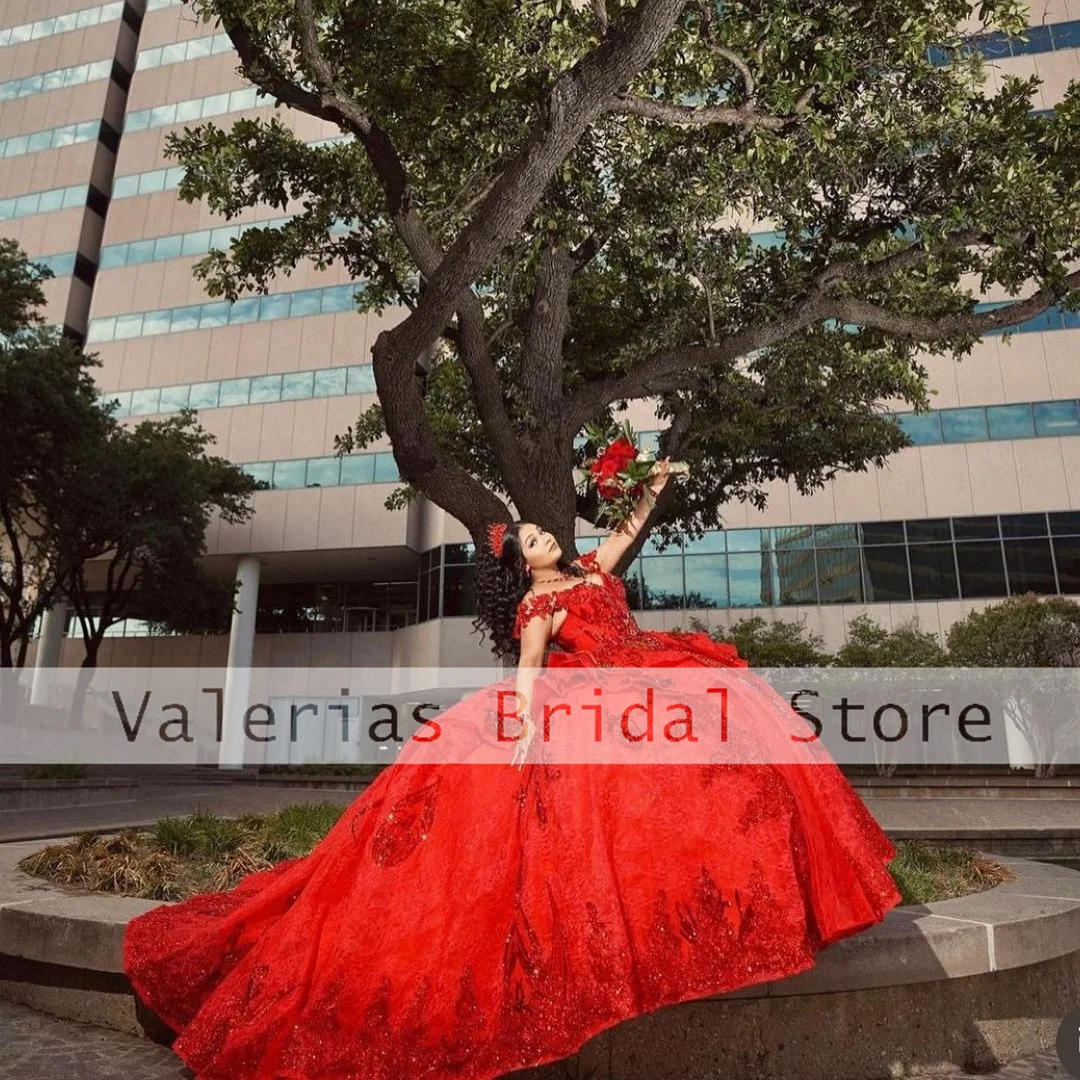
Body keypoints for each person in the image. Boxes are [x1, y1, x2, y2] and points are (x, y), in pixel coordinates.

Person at [122, 458, 902, 1079]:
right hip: (590, 694)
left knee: (737, 746)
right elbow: (529, 670)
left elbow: (628, 530)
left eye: (540, 532)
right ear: (522, 569)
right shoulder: (539, 608)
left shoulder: (595, 571)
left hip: (652, 671)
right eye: (530, 540)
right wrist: (524, 724)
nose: (543, 539)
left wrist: (655, 484)